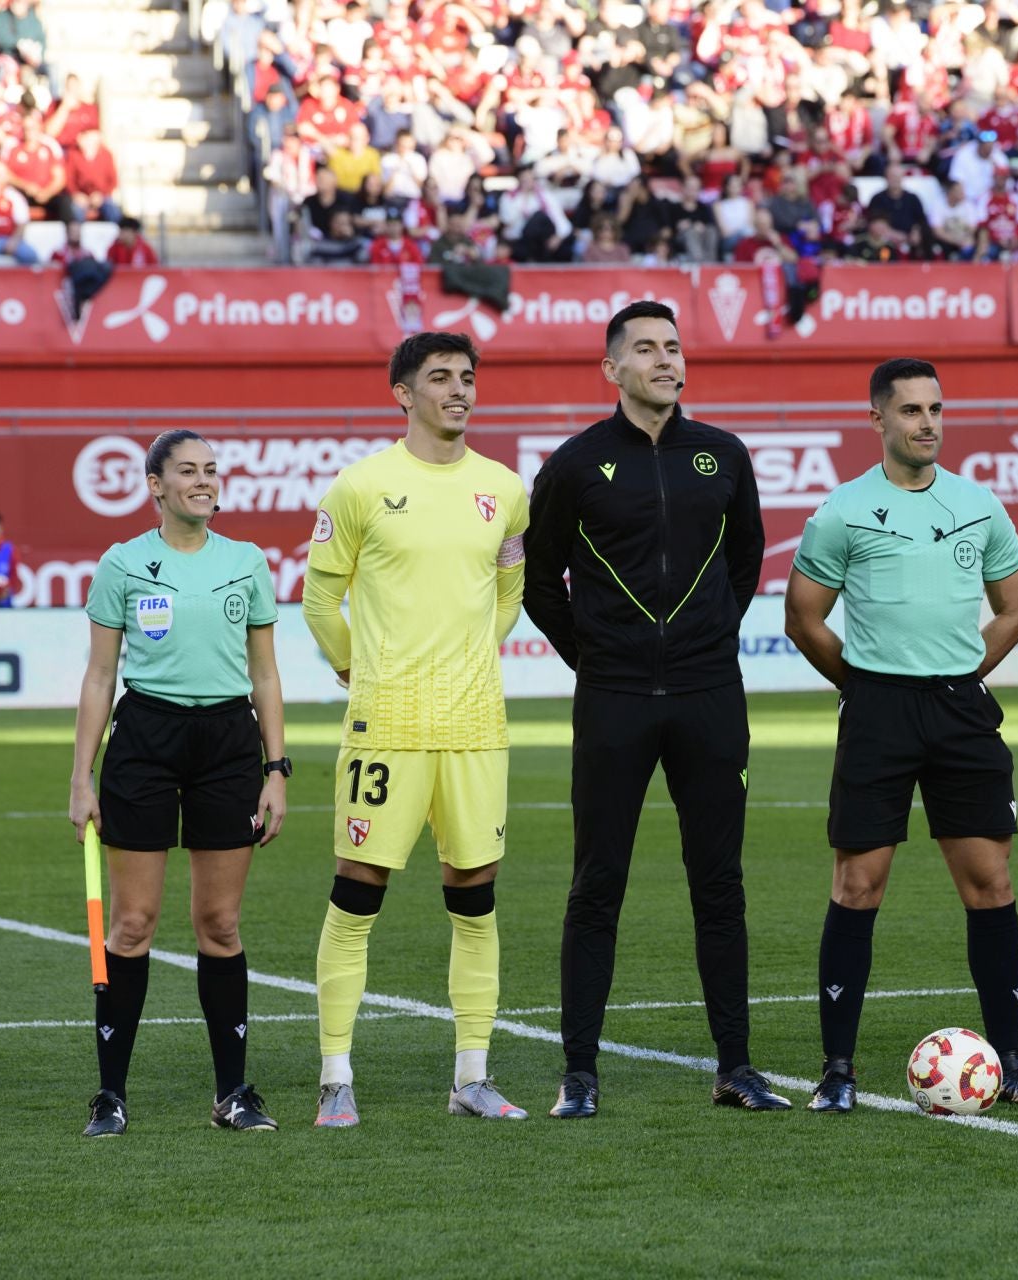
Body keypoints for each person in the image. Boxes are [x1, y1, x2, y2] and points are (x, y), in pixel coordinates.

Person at [522, 301, 781, 1119]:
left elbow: (745, 564)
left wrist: (701, 643)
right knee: (597, 884)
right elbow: (539, 585)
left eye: (673, 347)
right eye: (646, 349)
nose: (666, 360)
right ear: (612, 369)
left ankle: (736, 1068)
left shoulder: (724, 456)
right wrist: (598, 659)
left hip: (710, 697)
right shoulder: (573, 465)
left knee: (721, 885)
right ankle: (580, 1073)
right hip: (614, 702)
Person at [783, 357, 1018, 1115]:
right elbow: (803, 617)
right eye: (910, 411)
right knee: (858, 884)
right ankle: (837, 1070)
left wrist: (966, 672)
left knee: (990, 883)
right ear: (878, 420)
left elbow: (1015, 607)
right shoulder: (843, 510)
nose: (927, 422)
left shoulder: (979, 505)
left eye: (936, 408)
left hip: (959, 714)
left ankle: (1009, 1063)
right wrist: (862, 685)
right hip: (877, 713)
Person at [302, 332, 532, 1127]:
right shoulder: (360, 488)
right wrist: (356, 670)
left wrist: (467, 656)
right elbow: (319, 601)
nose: (459, 390)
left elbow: (508, 590)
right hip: (388, 725)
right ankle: (336, 1076)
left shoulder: (503, 489)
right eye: (440, 378)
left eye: (468, 378)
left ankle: (472, 1075)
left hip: (474, 726)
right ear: (403, 393)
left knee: (476, 900)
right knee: (355, 896)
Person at [67, 429, 289, 1137]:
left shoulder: (246, 562)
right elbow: (101, 675)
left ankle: (234, 1093)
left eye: (211, 470)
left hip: (228, 743)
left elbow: (265, 674)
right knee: (132, 926)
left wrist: (276, 769)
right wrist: (82, 775)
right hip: (145, 741)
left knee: (220, 925)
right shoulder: (124, 563)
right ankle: (110, 1095)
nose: (204, 481)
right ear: (155, 485)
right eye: (187, 471)